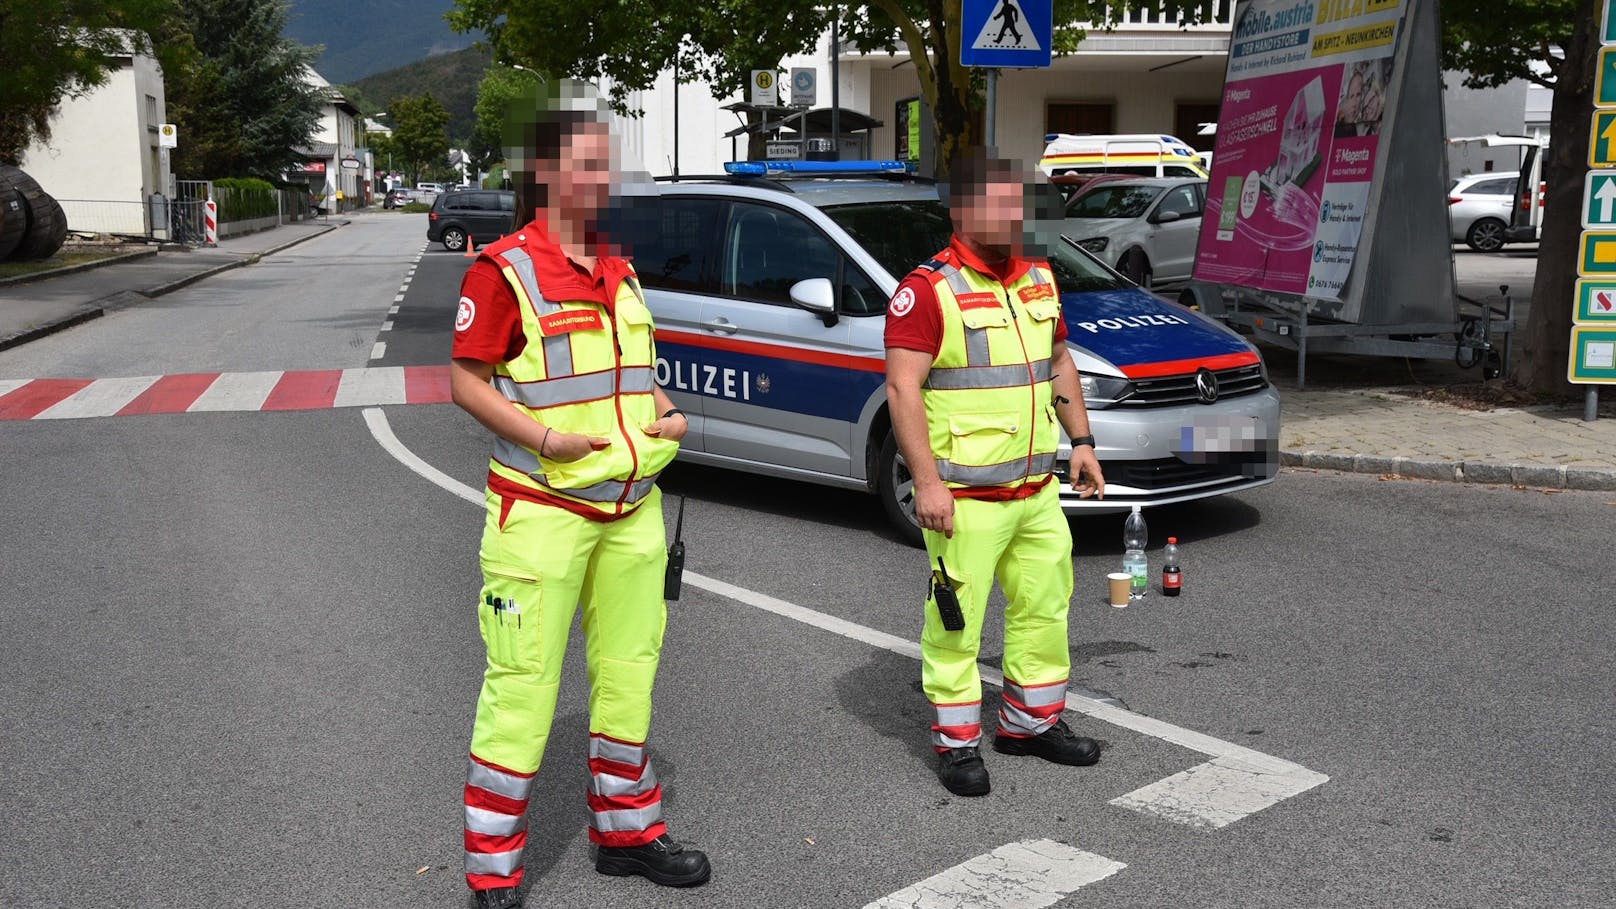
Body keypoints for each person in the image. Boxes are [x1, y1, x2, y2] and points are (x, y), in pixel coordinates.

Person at [449, 83, 711, 909]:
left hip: (632, 511)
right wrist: (544, 440)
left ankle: (627, 833)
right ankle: (493, 873)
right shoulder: (507, 270)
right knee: (522, 692)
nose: (604, 180)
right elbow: (465, 379)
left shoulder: (618, 270)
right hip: (544, 513)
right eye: (590, 165)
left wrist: (663, 413)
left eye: (609, 166)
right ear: (548, 172)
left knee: (628, 675)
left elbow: (634, 381)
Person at [884, 148, 1107, 797]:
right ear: (963, 209)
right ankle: (956, 744)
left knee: (1045, 603)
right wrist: (925, 482)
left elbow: (1059, 359)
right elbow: (902, 389)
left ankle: (1029, 722)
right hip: (965, 496)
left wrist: (1083, 441)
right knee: (956, 620)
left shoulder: (1037, 275)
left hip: (1036, 490)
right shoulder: (926, 291)